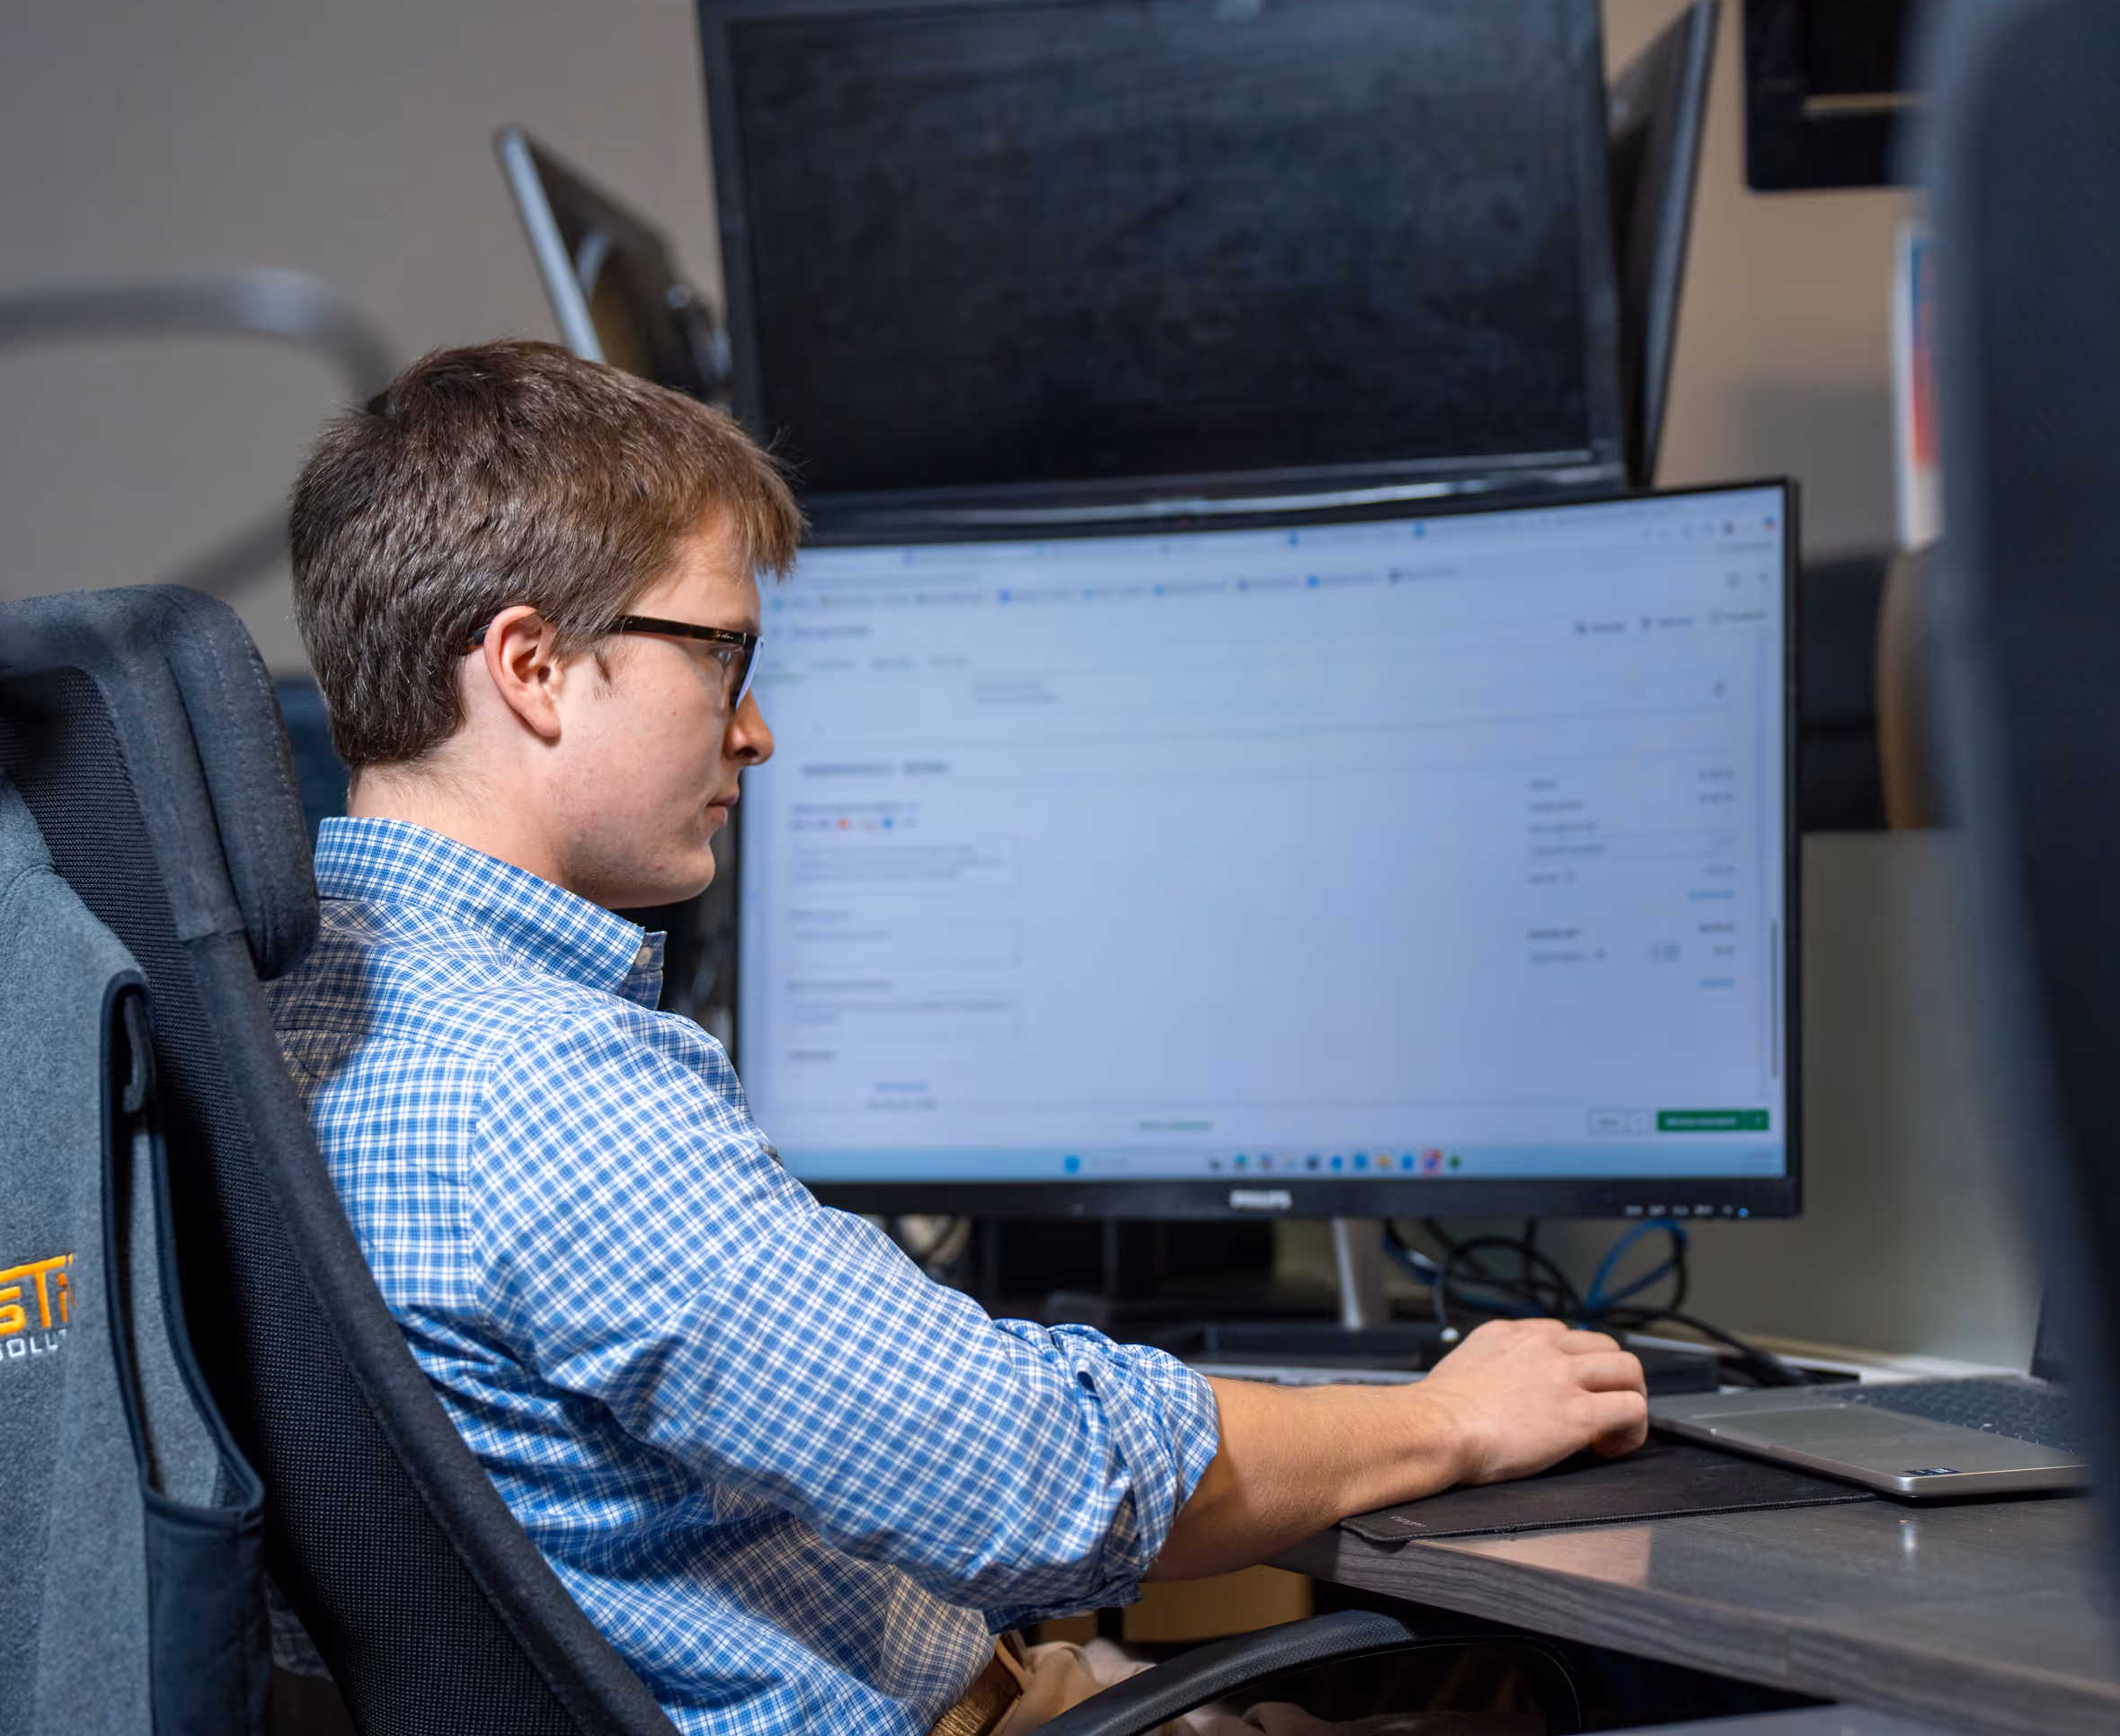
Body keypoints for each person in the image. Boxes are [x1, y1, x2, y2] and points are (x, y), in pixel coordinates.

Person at [269, 341, 1648, 1736]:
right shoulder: (548, 1086)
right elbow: (1033, 1476)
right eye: (723, 654)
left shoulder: (277, 1022)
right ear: (535, 666)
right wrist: (1452, 1415)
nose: (755, 730)